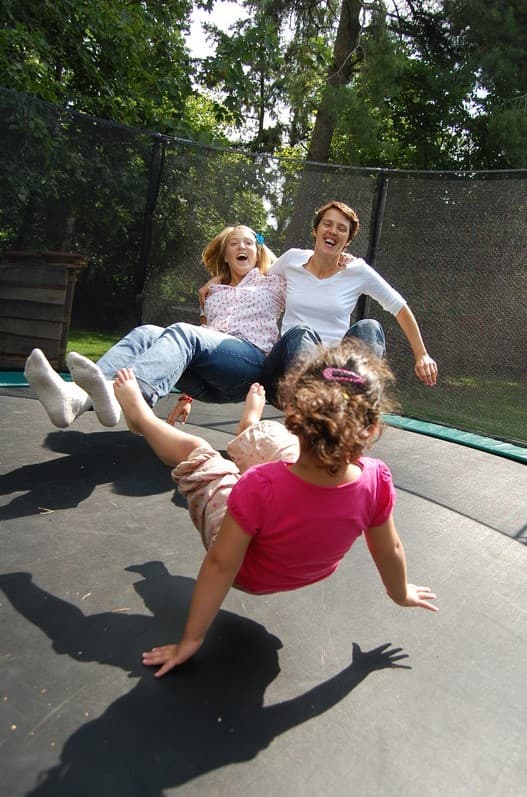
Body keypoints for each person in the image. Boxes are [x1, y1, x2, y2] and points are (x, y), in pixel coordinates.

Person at [112, 338, 438, 678]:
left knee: (197, 450)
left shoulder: (259, 485)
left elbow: (222, 565)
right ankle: (249, 430)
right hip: (305, 568)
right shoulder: (376, 480)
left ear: (294, 412)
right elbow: (389, 549)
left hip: (249, 572)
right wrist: (400, 592)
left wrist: (191, 640)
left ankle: (141, 417)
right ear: (370, 429)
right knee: (280, 445)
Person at [23, 225, 285, 429]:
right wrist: (186, 398)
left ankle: (131, 397)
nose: (242, 247)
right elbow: (202, 342)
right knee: (146, 333)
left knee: (182, 331)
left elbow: (306, 270)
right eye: (234, 243)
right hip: (210, 377)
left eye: (248, 242)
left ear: (258, 251)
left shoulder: (274, 282)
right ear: (226, 255)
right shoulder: (212, 292)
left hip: (249, 367)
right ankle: (76, 399)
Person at [261, 200, 438, 404]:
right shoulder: (292, 260)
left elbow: (399, 307)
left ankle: (359, 398)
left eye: (341, 228)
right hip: (285, 373)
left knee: (370, 327)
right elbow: (260, 279)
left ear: (347, 240)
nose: (333, 231)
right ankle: (313, 397)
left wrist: (422, 355)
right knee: (301, 332)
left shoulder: (357, 271)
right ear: (316, 230)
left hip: (334, 372)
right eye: (327, 224)